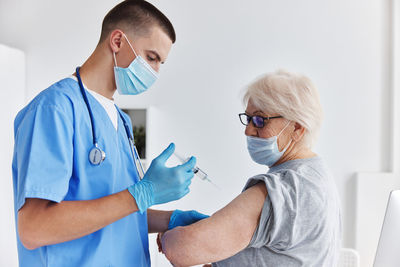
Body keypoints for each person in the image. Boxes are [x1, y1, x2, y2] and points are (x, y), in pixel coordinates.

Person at [12, 1, 208, 266]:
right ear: (117, 41)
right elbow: (34, 228)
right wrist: (142, 194)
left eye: (161, 63)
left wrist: (170, 218)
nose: (155, 72)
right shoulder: (54, 109)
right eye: (151, 58)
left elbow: (112, 211)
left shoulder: (121, 120)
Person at [160, 70, 342, 267]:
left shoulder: (284, 188)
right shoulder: (318, 175)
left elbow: (183, 249)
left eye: (259, 120)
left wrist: (168, 233)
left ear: (297, 128)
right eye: (247, 119)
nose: (247, 130)